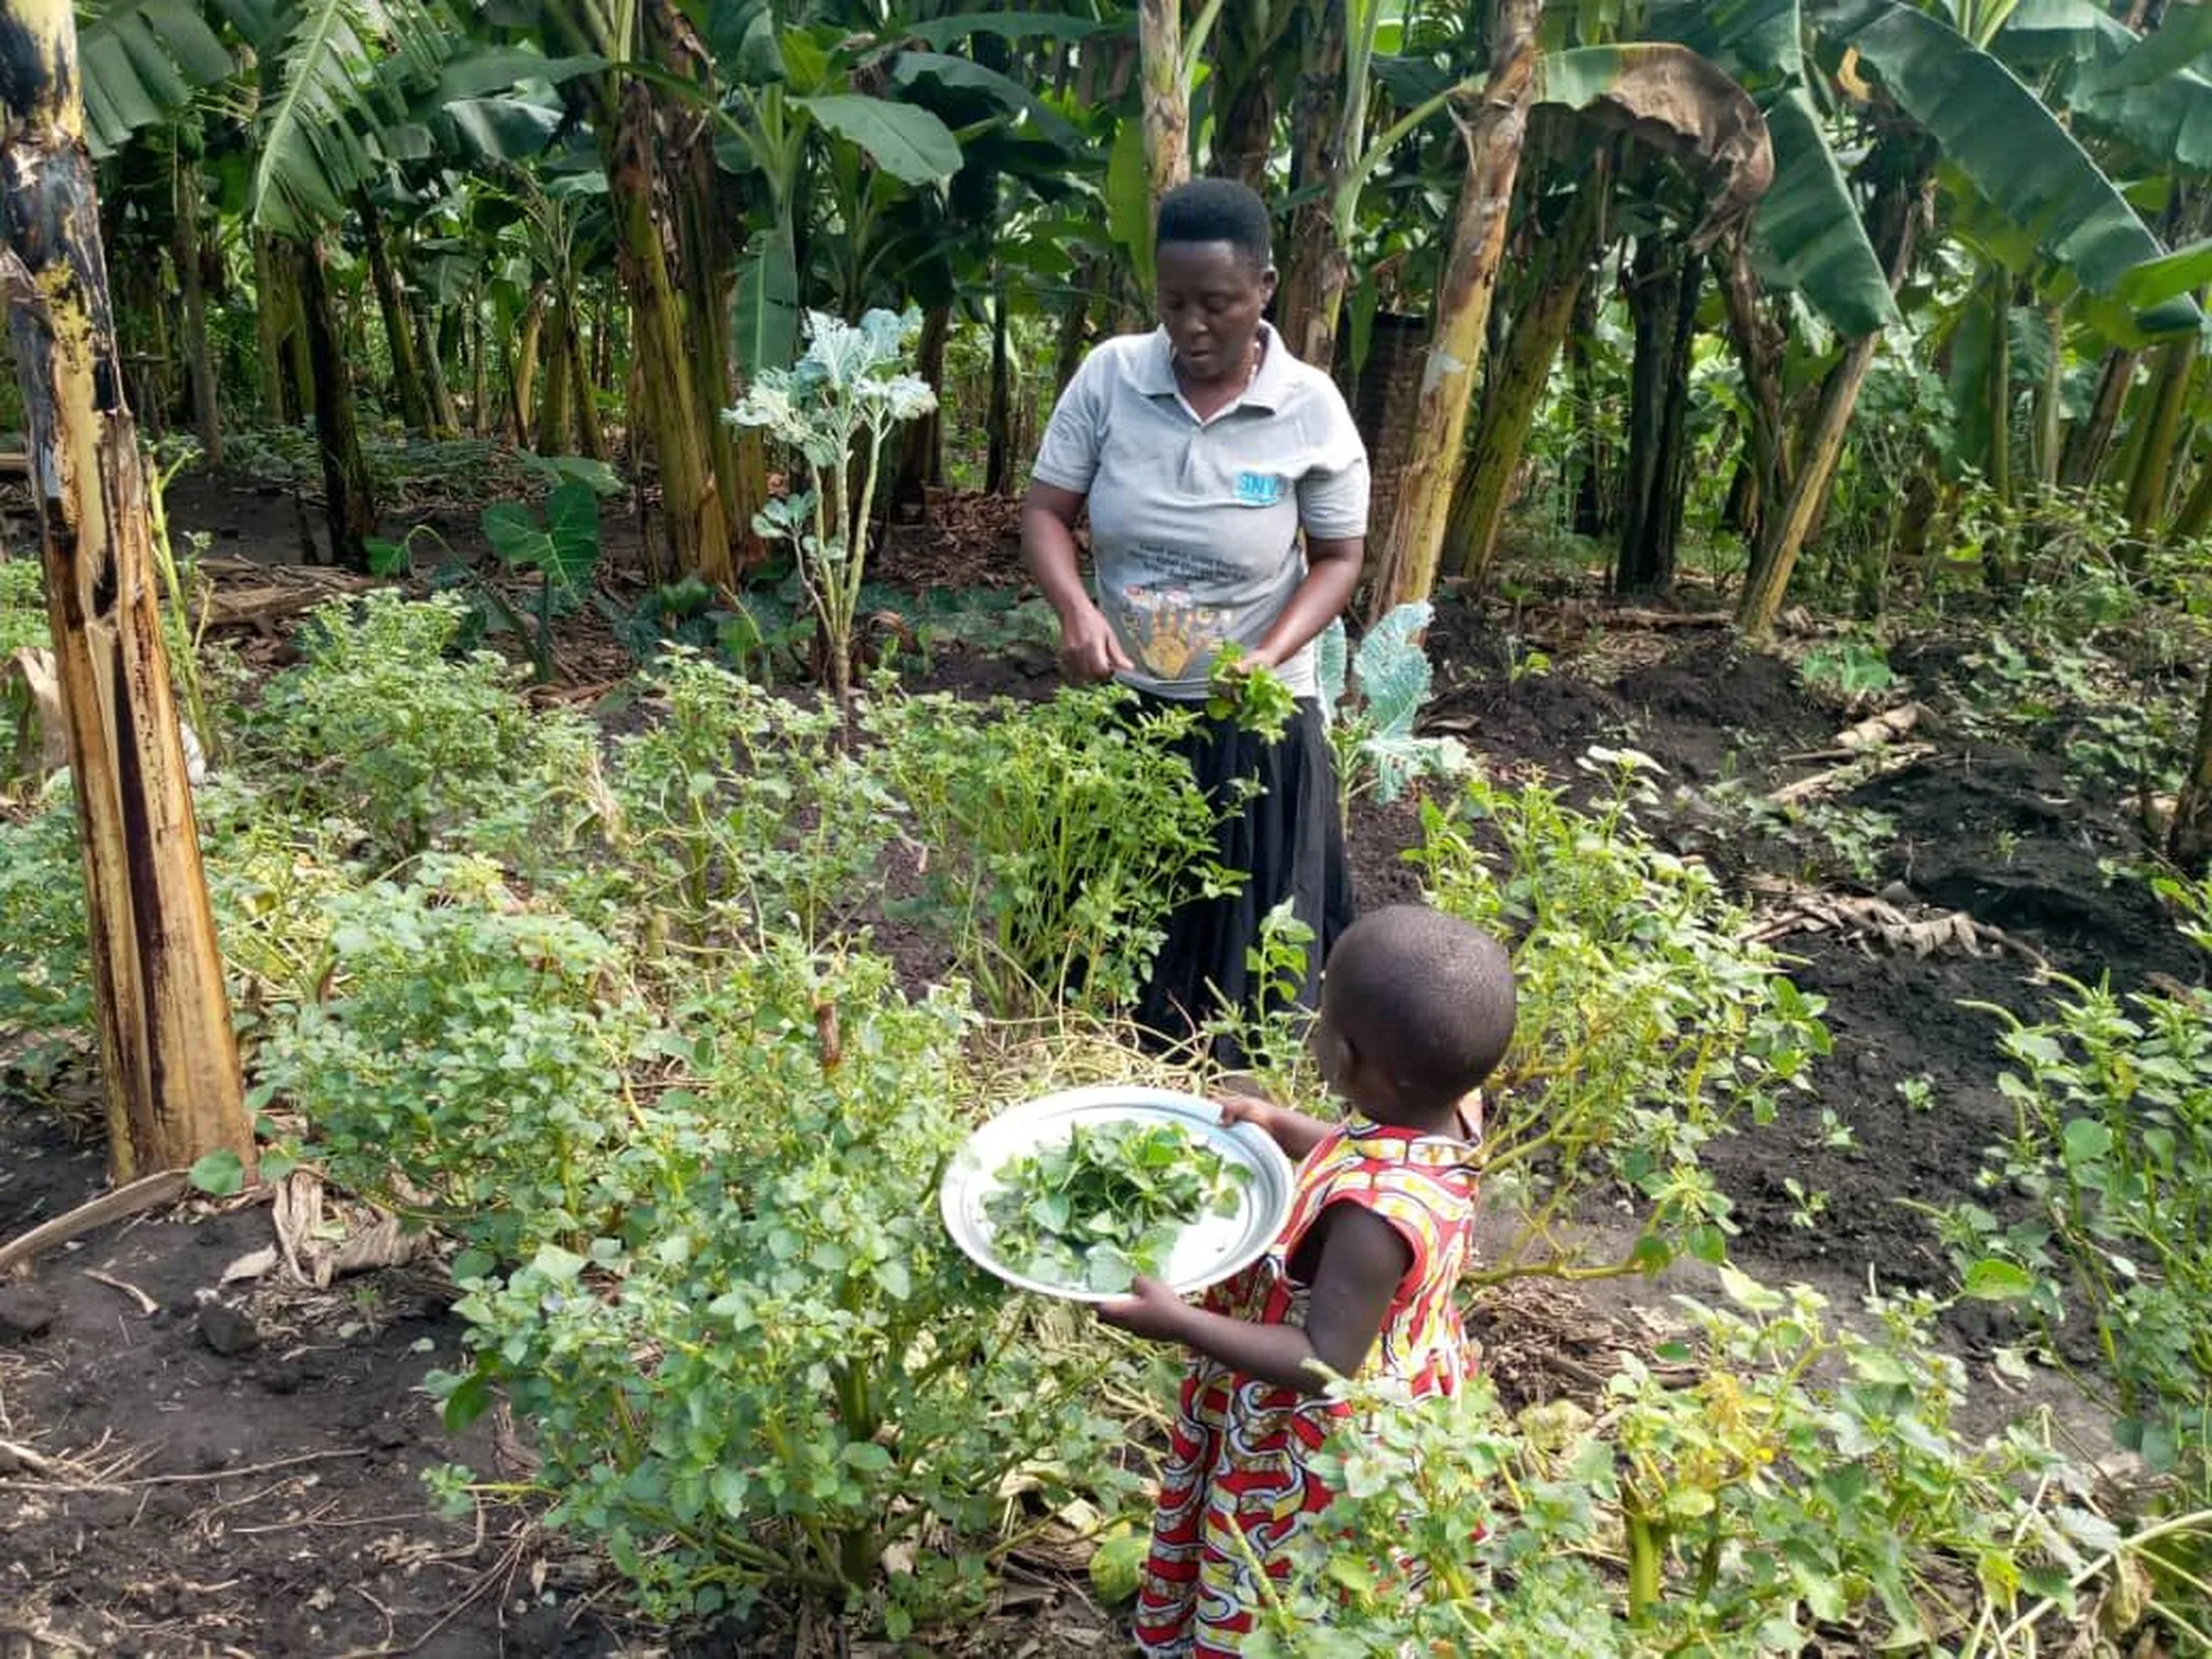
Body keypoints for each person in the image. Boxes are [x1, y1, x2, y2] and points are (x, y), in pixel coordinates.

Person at [1097, 904, 1517, 1656]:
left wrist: (1181, 1322)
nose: (1314, 1032)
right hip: (1416, 1371)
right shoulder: (1446, 1109)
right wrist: (1282, 1125)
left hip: (1318, 1439)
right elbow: (1371, 1146)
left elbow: (1323, 1360)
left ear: (1352, 1060)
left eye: (1323, 1023)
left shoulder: (1369, 1223)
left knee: (1291, 1574)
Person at [1021, 177, 1368, 1057]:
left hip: (1256, 717)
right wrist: (1075, 610)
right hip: (1124, 705)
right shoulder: (1111, 377)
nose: (1191, 326)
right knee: (1103, 944)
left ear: (1264, 289)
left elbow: (1338, 560)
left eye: (1217, 303)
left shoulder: (1310, 407)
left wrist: (1270, 651)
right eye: (1172, 302)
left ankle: (1237, 1113)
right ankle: (1098, 1074)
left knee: (1247, 969)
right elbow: (1046, 512)